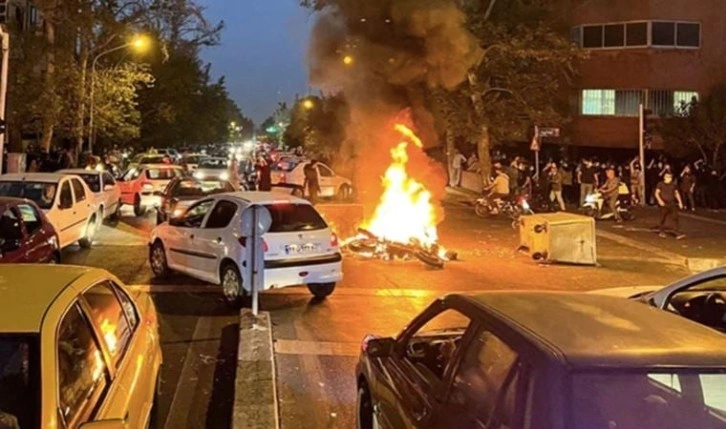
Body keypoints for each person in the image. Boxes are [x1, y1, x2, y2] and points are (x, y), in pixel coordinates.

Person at [655, 172, 685, 239]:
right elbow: (656, 193)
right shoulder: (660, 184)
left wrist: (680, 202)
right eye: (667, 177)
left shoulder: (673, 185)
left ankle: (677, 232)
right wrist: (660, 200)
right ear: (664, 177)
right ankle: (661, 231)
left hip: (672, 203)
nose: (669, 178)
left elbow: (676, 193)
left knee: (675, 217)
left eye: (670, 177)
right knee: (662, 218)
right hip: (664, 203)